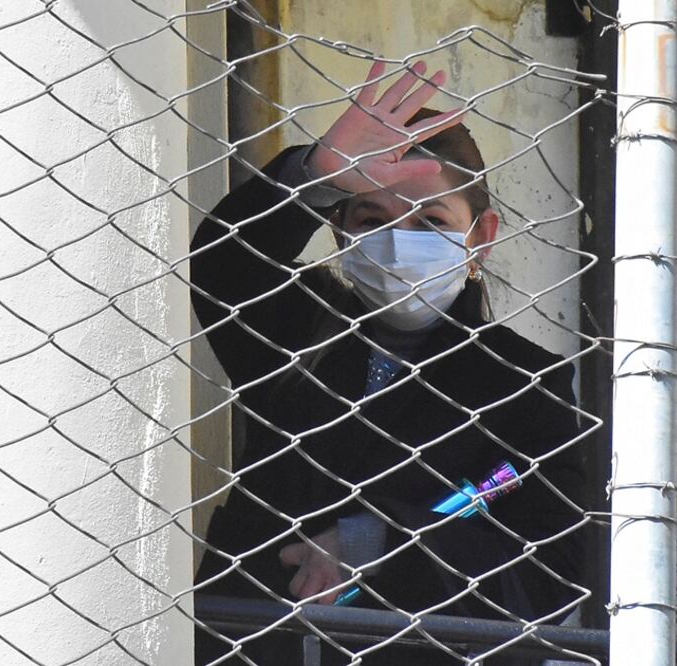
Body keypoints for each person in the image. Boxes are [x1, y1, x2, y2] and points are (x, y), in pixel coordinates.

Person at [191, 61, 588, 665]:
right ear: (341, 231)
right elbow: (226, 265)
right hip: (255, 640)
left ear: (480, 236)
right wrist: (317, 175)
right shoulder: (300, 330)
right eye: (372, 220)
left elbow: (548, 578)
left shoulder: (526, 384)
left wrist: (383, 537)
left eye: (431, 222)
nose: (400, 243)